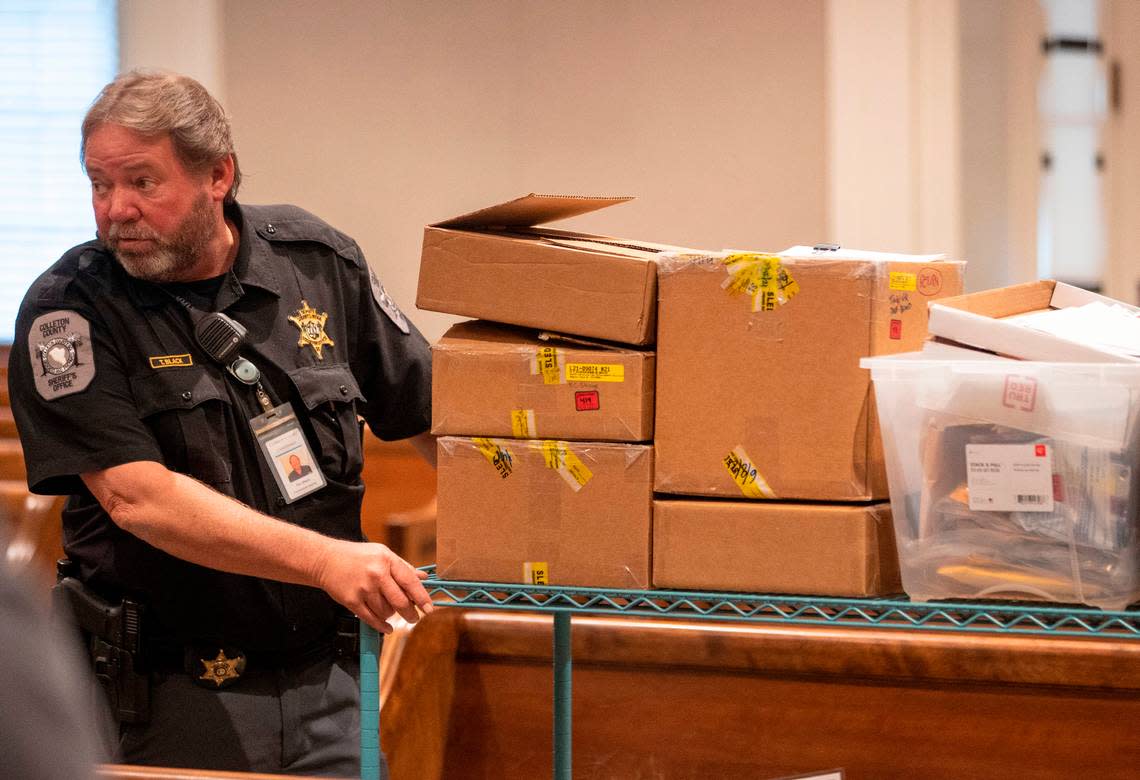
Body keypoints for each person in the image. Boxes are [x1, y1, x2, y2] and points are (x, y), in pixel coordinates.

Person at [9, 69, 436, 777]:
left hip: (327, 683)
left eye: (142, 183)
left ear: (219, 175)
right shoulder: (69, 311)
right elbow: (136, 497)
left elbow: (435, 420)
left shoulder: (317, 265)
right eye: (99, 184)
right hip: (158, 696)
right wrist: (327, 560)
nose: (116, 209)